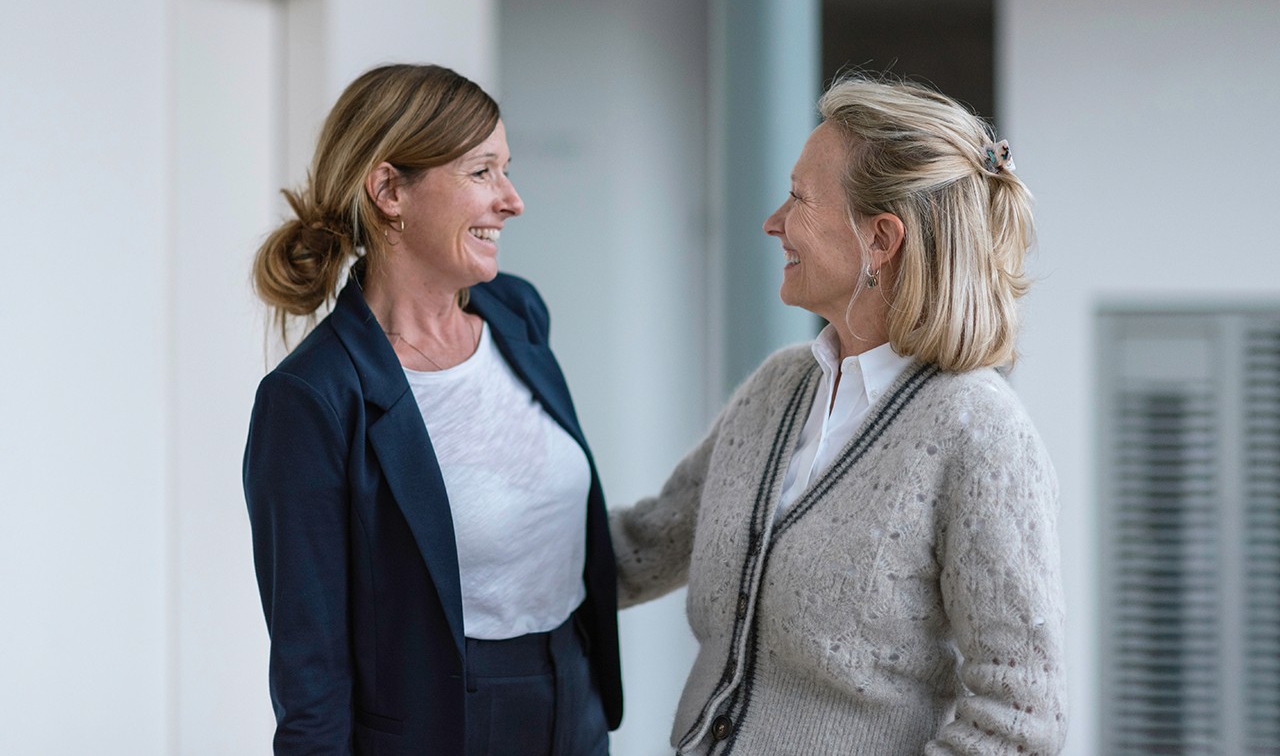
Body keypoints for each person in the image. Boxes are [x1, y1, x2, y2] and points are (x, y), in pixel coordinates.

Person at [612, 76, 1067, 754]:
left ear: (881, 239)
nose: (773, 222)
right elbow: (641, 548)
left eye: (799, 198)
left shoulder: (980, 434)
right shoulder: (778, 387)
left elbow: (1020, 719)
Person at [243, 63, 621, 756]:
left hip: (574, 695)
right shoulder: (311, 399)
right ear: (390, 191)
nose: (513, 200)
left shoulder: (517, 312)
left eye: (506, 170)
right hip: (445, 726)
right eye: (482, 172)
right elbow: (310, 672)